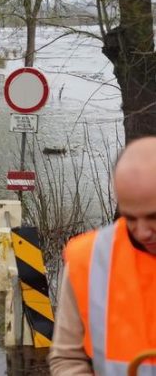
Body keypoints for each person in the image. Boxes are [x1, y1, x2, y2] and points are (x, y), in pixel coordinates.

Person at [48, 136, 156, 375]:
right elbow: (67, 358)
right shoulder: (90, 258)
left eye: (153, 217)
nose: (143, 232)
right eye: (130, 217)